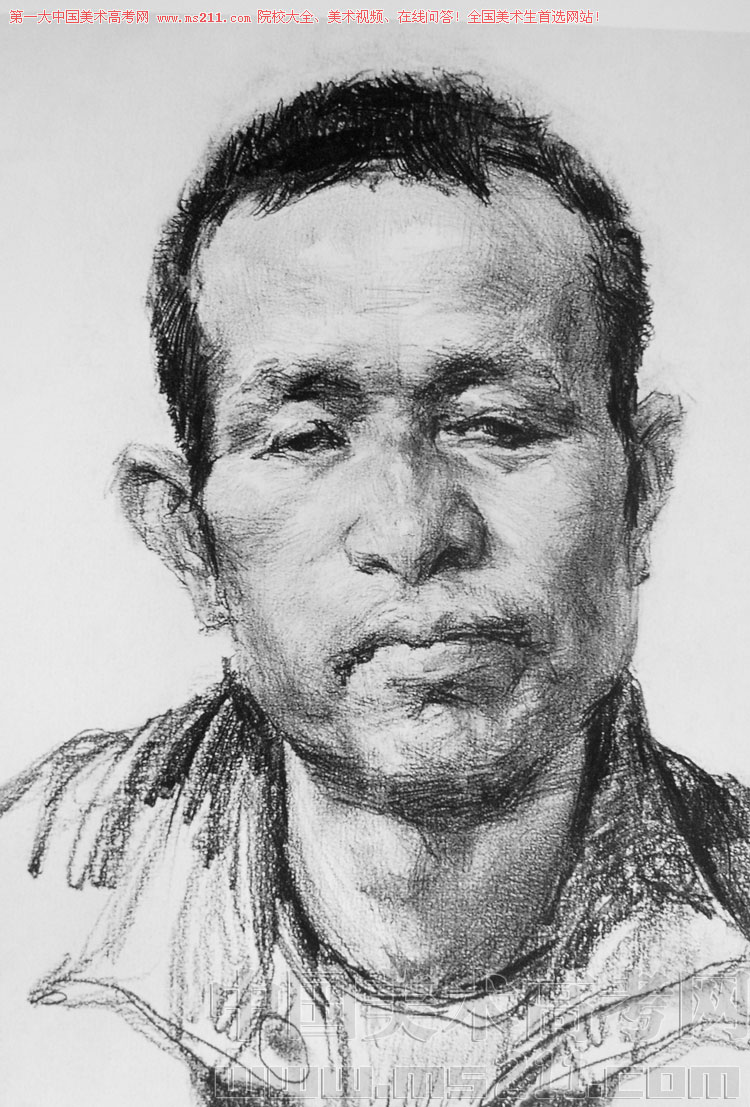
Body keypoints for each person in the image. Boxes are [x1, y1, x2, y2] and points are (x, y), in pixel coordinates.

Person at [2, 71, 750, 1107]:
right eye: (308, 438)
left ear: (643, 492)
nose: (412, 531)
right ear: (188, 540)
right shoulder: (25, 890)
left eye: (498, 426)